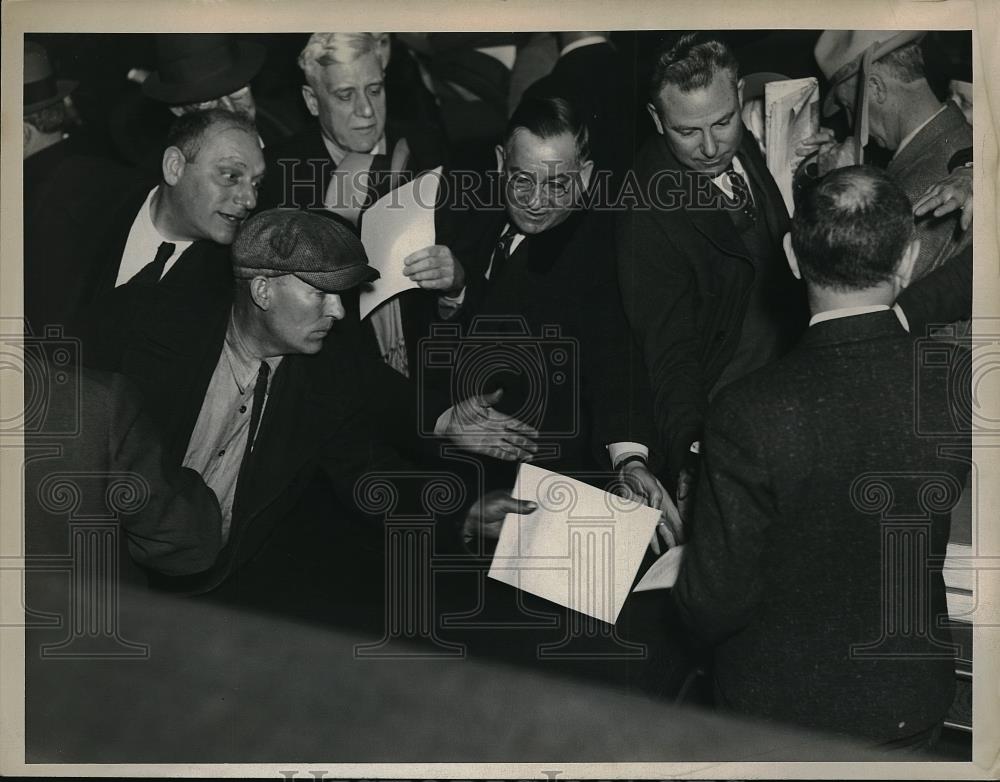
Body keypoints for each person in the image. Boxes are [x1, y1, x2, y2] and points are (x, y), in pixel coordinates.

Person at [673, 166, 969, 748]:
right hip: (906, 702)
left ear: (790, 254)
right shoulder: (954, 386)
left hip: (777, 714)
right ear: (908, 257)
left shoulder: (746, 412)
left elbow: (714, 604)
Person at [119, 208, 530, 593]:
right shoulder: (153, 340)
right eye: (321, 294)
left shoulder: (321, 377)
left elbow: (368, 476)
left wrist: (464, 514)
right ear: (263, 291)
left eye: (341, 295)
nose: (338, 311)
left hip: (216, 592)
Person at [429, 95, 673, 525]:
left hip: (531, 500)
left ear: (586, 177)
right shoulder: (476, 215)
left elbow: (616, 358)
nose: (537, 201)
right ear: (501, 160)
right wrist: (458, 292)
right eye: (522, 180)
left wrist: (629, 459)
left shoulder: (599, 257)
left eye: (558, 185)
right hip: (458, 484)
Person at [617, 32, 807, 517]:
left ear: (739, 95)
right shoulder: (644, 209)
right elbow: (669, 350)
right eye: (686, 131)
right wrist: (692, 449)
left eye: (723, 121)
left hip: (786, 389)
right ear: (657, 119)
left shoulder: (742, 149)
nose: (709, 147)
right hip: (724, 420)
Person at [259, 32, 450, 376]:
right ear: (312, 100)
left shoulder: (429, 148)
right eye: (345, 95)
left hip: (432, 375)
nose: (366, 111)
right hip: (334, 384)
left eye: (374, 90)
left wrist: (456, 283)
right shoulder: (276, 177)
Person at [25, 108, 264, 370]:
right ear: (174, 167)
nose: (249, 199)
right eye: (231, 176)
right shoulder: (76, 190)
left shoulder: (231, 285)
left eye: (256, 183)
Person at [801, 30, 972, 280]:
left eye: (850, 107)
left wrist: (841, 184)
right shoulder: (951, 145)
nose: (852, 124)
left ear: (875, 88)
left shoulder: (930, 189)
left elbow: (863, 289)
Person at [109, 33, 274, 169]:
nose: (230, 108)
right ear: (179, 111)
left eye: (238, 91)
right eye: (208, 102)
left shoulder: (289, 125)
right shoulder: (174, 181)